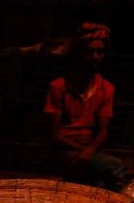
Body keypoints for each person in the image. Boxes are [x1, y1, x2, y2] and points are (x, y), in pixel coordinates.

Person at [44, 23, 127, 191]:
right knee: (115, 167)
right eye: (89, 52)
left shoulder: (106, 88)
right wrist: (85, 151)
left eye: (100, 52)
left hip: (89, 150)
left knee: (99, 185)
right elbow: (54, 135)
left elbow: (103, 132)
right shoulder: (59, 87)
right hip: (64, 151)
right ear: (78, 54)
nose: (95, 57)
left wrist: (90, 150)